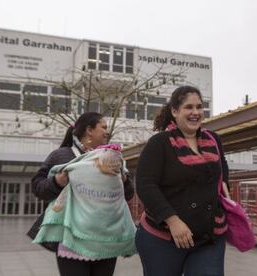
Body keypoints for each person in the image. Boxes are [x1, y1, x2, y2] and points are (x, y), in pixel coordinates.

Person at [135, 86, 230, 276]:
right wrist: (173, 221)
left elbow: (223, 167)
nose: (195, 113)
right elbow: (145, 185)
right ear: (175, 111)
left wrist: (224, 187)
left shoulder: (213, 140)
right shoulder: (160, 143)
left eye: (199, 107)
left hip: (209, 235)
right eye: (189, 107)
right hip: (163, 238)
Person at [29, 112, 134, 276]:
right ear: (89, 130)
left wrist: (123, 179)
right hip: (71, 239)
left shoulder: (111, 158)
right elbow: (38, 187)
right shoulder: (62, 155)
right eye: (103, 127)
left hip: (105, 236)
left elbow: (128, 194)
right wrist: (58, 181)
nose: (107, 132)